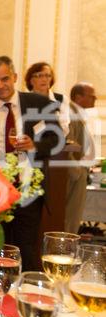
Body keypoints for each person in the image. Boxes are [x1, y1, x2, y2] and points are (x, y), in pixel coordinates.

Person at [0, 56, 60, 271]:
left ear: (15, 77)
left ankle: (28, 293)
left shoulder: (40, 104)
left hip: (28, 187)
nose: (0, 86)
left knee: (26, 247)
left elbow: (56, 139)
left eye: (5, 79)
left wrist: (35, 146)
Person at [65, 82, 97, 233]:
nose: (95, 98)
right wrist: (76, 172)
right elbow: (67, 146)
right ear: (78, 97)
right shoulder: (70, 115)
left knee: (74, 215)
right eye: (91, 95)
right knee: (70, 215)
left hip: (78, 173)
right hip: (73, 175)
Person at [25, 61, 71, 136]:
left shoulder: (61, 99)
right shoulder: (24, 100)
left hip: (55, 143)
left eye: (48, 76)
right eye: (39, 75)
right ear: (31, 80)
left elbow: (64, 128)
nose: (44, 79)